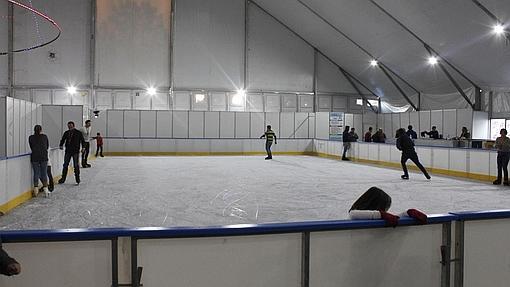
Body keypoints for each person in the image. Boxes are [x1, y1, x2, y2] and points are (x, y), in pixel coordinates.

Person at [349, 187, 428, 226]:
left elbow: (395, 218)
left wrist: (408, 213)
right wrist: (382, 214)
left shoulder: (378, 218)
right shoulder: (356, 217)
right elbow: (353, 214)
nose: (385, 210)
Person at [28, 125, 50, 198]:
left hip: (35, 157)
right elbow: (47, 146)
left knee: (36, 173)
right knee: (44, 173)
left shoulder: (31, 137)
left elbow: (31, 146)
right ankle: (46, 190)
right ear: (41, 130)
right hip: (44, 156)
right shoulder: (44, 136)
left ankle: (36, 189)